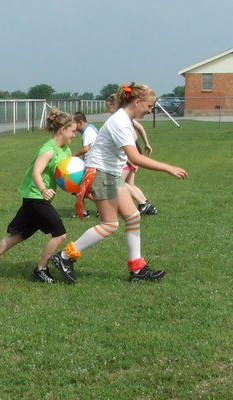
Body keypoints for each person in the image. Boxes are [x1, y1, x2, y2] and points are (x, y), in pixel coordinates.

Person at [50, 82, 188, 284]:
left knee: (133, 217)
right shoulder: (121, 121)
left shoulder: (125, 120)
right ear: (137, 101)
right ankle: (64, 257)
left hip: (111, 173)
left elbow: (120, 150)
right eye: (149, 106)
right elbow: (136, 156)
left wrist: (127, 160)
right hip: (101, 174)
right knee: (109, 224)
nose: (150, 111)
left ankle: (137, 269)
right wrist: (168, 167)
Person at [0, 107, 77, 284]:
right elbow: (36, 173)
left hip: (39, 198)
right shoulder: (49, 149)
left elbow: (65, 175)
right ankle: (40, 270)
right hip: (35, 197)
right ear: (62, 129)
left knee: (20, 235)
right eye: (73, 131)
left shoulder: (65, 150)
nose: (75, 135)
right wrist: (44, 189)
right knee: (60, 234)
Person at [104, 94, 157, 216]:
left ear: (114, 104)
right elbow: (140, 129)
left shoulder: (122, 118)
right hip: (129, 153)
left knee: (119, 183)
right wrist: (146, 144)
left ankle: (143, 203)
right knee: (129, 184)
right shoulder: (122, 117)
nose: (109, 110)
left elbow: (134, 135)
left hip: (128, 154)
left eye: (109, 106)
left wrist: (130, 157)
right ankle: (145, 204)